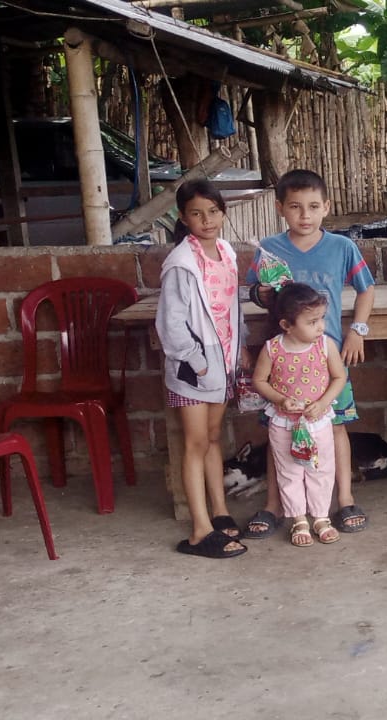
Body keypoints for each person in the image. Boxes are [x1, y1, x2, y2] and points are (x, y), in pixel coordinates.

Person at [244, 169, 377, 538]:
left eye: (314, 206)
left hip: (327, 356)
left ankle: (344, 499)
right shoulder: (269, 248)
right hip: (282, 359)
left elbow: (366, 289)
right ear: (280, 208)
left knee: (336, 426)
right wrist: (262, 294)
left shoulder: (342, 247)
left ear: (326, 207)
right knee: (278, 431)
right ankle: (275, 505)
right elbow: (253, 291)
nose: (305, 215)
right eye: (295, 207)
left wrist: (358, 331)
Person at [158, 180, 247, 559]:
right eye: (196, 213)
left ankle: (220, 511)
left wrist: (238, 351)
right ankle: (199, 530)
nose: (206, 220)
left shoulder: (226, 252)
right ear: (183, 218)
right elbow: (171, 324)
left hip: (222, 362)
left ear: (223, 213)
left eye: (213, 211)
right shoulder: (181, 263)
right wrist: (197, 362)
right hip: (194, 368)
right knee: (195, 443)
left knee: (212, 437)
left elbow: (231, 308)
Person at [250, 284, 348, 547]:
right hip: (284, 424)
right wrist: (281, 400)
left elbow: (339, 377)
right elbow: (259, 380)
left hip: (318, 422)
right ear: (287, 325)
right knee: (289, 471)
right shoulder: (272, 349)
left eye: (322, 319)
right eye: (312, 322)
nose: (320, 327)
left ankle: (321, 517)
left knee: (320, 469)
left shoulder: (325, 345)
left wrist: (323, 403)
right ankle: (299, 519)